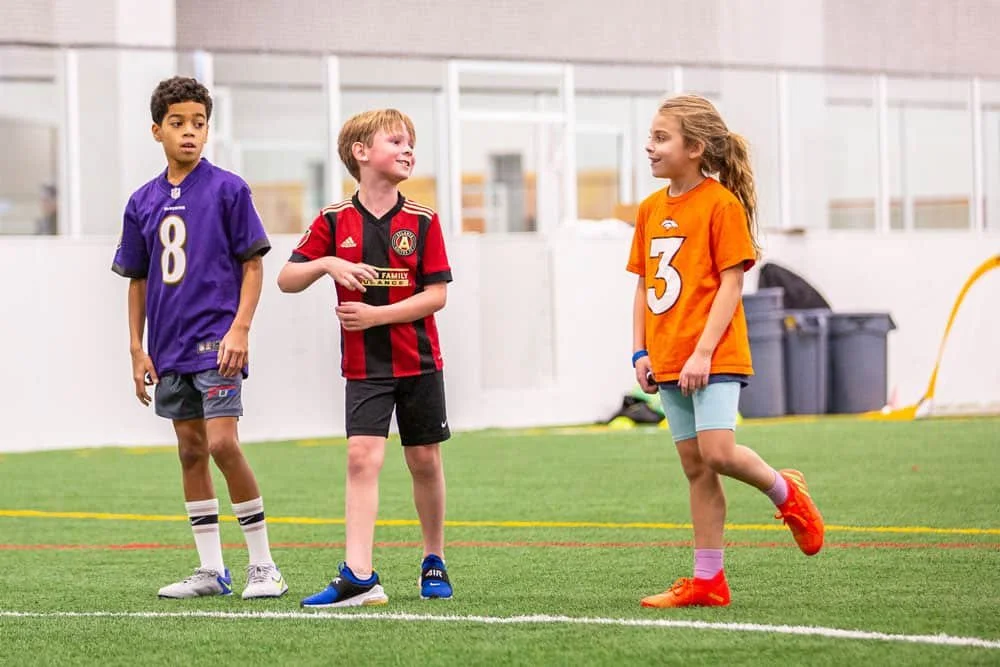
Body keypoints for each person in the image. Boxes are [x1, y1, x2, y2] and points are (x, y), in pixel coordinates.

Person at [627, 94, 824, 608]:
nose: (649, 147)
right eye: (650, 136)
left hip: (712, 356)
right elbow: (644, 288)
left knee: (717, 451)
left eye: (661, 138)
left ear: (694, 148)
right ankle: (708, 581)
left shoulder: (721, 205)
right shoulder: (649, 210)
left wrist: (702, 353)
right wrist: (639, 352)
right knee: (697, 467)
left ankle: (786, 491)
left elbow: (731, 285)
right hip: (666, 357)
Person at [111, 76, 287, 600]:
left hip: (217, 341)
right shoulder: (141, 201)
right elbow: (137, 280)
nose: (190, 133)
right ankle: (212, 570)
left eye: (199, 123)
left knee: (222, 443)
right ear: (156, 130)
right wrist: (137, 348)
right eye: (178, 123)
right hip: (169, 348)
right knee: (190, 451)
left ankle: (264, 566)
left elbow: (252, 265)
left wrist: (241, 327)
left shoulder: (229, 189)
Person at [277, 109, 453, 608]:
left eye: (411, 142)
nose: (407, 149)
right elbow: (287, 279)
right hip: (365, 368)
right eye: (395, 140)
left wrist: (378, 317)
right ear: (361, 153)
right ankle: (359, 575)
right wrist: (328, 263)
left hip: (419, 362)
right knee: (361, 458)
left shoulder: (423, 220)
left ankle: (433, 558)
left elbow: (436, 295)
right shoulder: (334, 220)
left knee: (423, 460)